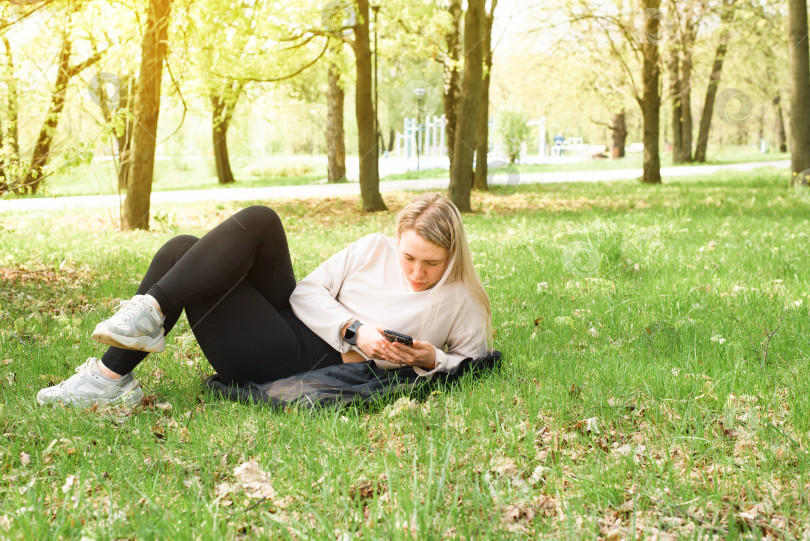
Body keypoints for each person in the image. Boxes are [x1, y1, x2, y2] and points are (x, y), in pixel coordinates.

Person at [36, 193, 492, 408]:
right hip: (297, 323)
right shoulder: (373, 248)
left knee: (180, 252)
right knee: (248, 225)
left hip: (313, 361)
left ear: (452, 256)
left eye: (431, 264)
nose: (416, 272)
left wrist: (430, 356)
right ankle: (149, 311)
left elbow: (474, 362)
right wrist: (357, 329)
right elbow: (307, 293)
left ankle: (107, 377)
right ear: (397, 240)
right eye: (409, 257)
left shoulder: (463, 298)